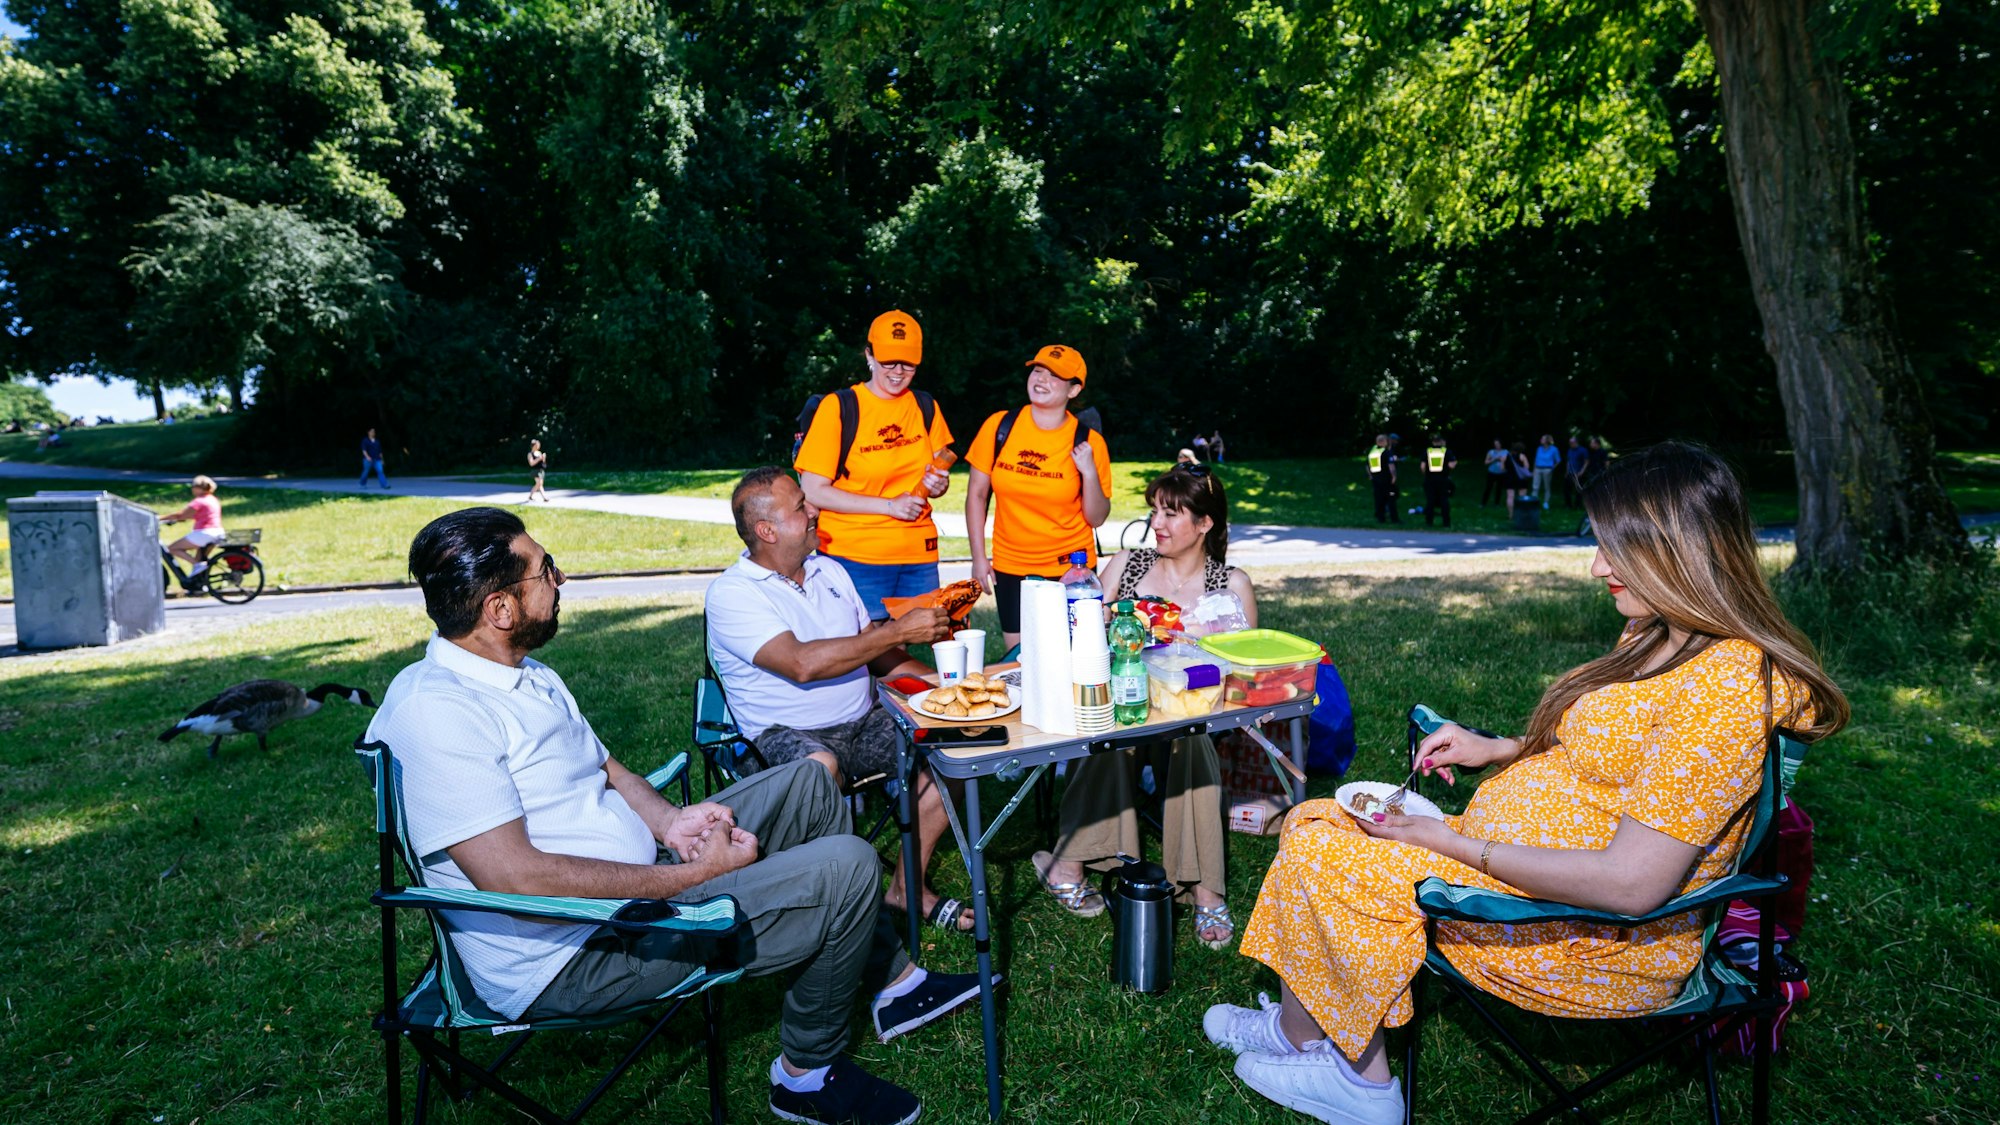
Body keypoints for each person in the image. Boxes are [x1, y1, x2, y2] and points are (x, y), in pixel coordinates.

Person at [1204, 442, 1848, 1125]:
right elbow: (1610, 752)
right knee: (1316, 819)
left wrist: (1448, 843)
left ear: (1677, 553)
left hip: (1585, 937)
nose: (1599, 566)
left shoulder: (1727, 688)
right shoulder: (1662, 634)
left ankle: (1361, 1084)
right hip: (1535, 883)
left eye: (1615, 550)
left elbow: (1633, 884)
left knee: (1331, 854)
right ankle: (1306, 1032)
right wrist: (1499, 748)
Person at [369, 506, 989, 1125]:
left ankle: (892, 982)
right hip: (577, 949)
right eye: (544, 570)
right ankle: (807, 1075)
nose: (560, 580)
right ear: (500, 608)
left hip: (630, 882)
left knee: (810, 786)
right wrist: (686, 878)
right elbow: (514, 880)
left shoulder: (523, 674)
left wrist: (671, 823)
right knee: (851, 865)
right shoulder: (439, 713)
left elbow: (606, 769)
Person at [708, 468, 972, 934]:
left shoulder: (830, 570)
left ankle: (907, 886)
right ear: (767, 531)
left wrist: (947, 685)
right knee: (819, 767)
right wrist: (900, 629)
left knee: (951, 743)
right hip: (779, 736)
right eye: (800, 507)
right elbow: (800, 663)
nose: (814, 511)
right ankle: (832, 907)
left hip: (862, 720)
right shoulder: (732, 593)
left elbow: (876, 652)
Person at [1034, 465, 1256, 949]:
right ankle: (1068, 858)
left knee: (1192, 744)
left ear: (1204, 524)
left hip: (1193, 715)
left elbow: (1244, 678)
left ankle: (1204, 889)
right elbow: (1080, 637)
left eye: (1172, 514)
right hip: (1126, 703)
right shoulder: (1126, 565)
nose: (1157, 522)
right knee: (1111, 732)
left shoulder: (1230, 585)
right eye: (1155, 510)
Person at [794, 310, 955, 622]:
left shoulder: (924, 406)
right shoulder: (840, 408)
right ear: (868, 355)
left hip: (917, 555)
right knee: (859, 653)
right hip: (855, 556)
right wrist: (889, 507)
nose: (898, 371)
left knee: (904, 650)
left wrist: (939, 485)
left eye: (907, 362)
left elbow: (940, 474)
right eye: (888, 361)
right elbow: (812, 490)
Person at [964, 345, 1113, 650]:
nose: (1042, 379)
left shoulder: (1088, 441)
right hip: (1011, 567)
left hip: (1071, 569)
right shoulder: (1000, 427)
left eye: (1055, 376)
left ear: (1074, 390)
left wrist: (1088, 472)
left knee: (1075, 657)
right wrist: (979, 558)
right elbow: (977, 495)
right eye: (1038, 370)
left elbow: (1096, 517)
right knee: (1019, 660)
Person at [161, 475, 227, 575]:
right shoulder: (212, 499)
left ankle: (198, 564)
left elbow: (181, 515)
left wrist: (159, 518)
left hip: (204, 533)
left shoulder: (199, 501)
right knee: (200, 558)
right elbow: (198, 515)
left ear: (198, 488)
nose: (192, 489)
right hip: (217, 532)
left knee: (172, 548)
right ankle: (199, 582)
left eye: (193, 487)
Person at [1418, 434, 1457, 528]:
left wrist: (1426, 474)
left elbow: (1422, 467)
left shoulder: (1427, 451)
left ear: (1433, 442)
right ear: (1441, 442)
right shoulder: (1446, 451)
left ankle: (1429, 522)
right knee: (1444, 500)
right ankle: (1446, 523)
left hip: (1430, 479)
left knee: (1430, 500)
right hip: (1443, 479)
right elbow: (1452, 465)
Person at [1366, 434, 1398, 523]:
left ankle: (1380, 518)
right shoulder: (1386, 452)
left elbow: (1367, 466)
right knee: (1391, 497)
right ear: (1384, 442)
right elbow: (1391, 466)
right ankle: (1394, 519)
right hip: (1387, 480)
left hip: (1376, 480)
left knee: (1378, 499)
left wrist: (1370, 476)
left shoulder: (1372, 452)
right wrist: (1394, 477)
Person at [1532, 433, 1561, 509]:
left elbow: (1558, 460)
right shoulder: (1539, 448)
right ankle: (1533, 502)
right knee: (1535, 487)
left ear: (1547, 440)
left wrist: (1552, 468)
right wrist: (1534, 469)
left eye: (1543, 439)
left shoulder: (1554, 449)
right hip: (1538, 469)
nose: (1541, 440)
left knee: (1546, 487)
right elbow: (1536, 459)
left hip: (1547, 469)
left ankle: (1546, 503)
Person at [1480, 439, 1509, 507]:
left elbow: (1508, 462)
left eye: (1498, 444)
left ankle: (1497, 503)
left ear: (1501, 444)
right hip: (1492, 472)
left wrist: (1502, 460)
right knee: (1488, 488)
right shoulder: (1491, 452)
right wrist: (1494, 459)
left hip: (1502, 473)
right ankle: (1483, 503)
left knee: (1499, 489)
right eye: (1495, 444)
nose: (1496, 445)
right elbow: (1486, 462)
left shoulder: (1505, 452)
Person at [1564, 435, 1590, 507]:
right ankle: (1568, 505)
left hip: (1578, 473)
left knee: (1578, 490)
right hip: (1570, 473)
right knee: (1567, 490)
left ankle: (1577, 505)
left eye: (1571, 442)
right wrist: (1566, 471)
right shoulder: (1569, 450)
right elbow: (1568, 461)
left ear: (1576, 442)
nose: (1570, 444)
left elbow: (1586, 462)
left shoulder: (1583, 450)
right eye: (1569, 442)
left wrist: (1581, 472)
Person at [527, 439, 548, 503]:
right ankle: (544, 497)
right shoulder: (530, 454)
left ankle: (531, 496)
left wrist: (543, 458)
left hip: (541, 470)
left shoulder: (539, 453)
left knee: (539, 484)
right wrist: (539, 458)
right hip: (535, 471)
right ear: (533, 446)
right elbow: (531, 463)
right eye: (537, 445)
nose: (538, 446)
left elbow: (543, 463)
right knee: (539, 484)